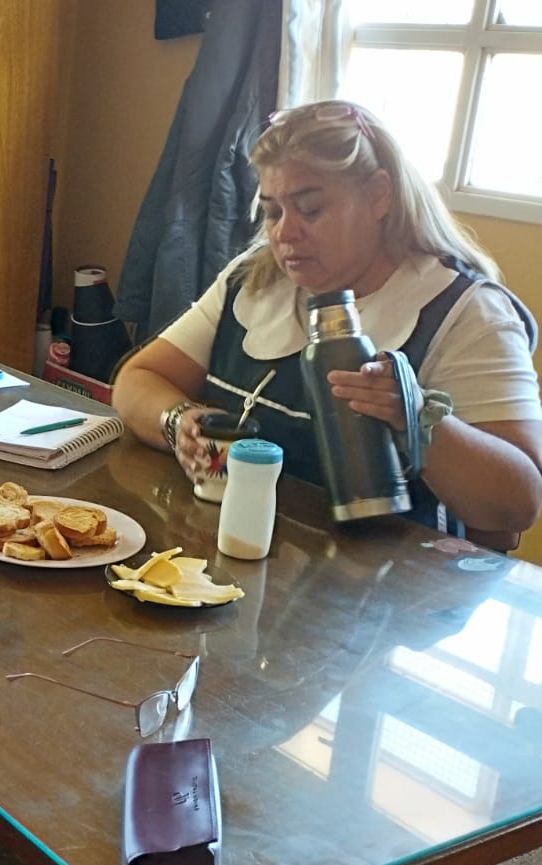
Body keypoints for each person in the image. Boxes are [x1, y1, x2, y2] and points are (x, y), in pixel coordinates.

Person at [113, 99, 542, 549]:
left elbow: (516, 504)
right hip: (233, 553)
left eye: (311, 209)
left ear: (379, 196)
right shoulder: (254, 278)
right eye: (274, 211)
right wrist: (178, 422)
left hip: (381, 593)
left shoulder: (465, 313)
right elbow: (138, 379)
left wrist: (414, 416)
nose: (284, 234)